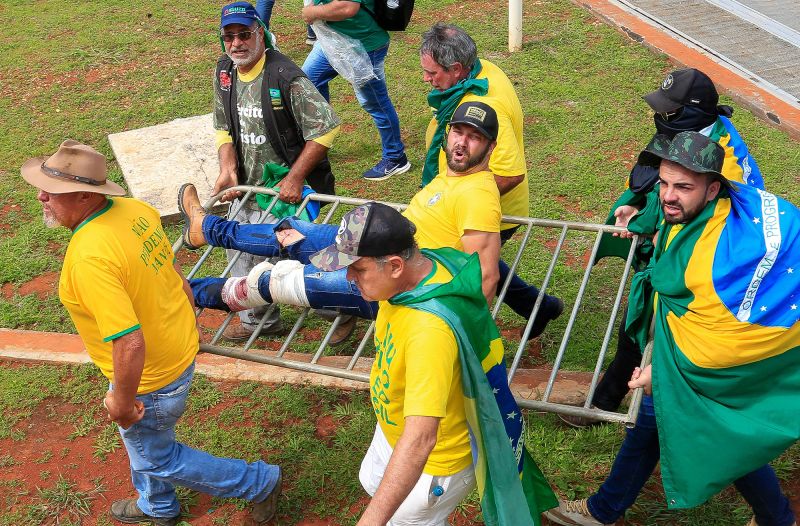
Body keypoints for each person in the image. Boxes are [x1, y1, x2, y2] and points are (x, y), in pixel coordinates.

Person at [21, 140, 282, 526]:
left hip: (150, 377)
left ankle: (258, 482)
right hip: (176, 346)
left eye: (52, 190)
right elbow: (170, 269)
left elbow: (129, 341)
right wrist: (188, 310)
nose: (41, 195)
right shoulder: (135, 210)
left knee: (154, 455)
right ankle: (157, 506)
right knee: (145, 442)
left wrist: (123, 403)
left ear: (81, 195)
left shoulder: (89, 257)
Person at [545, 132, 799, 526]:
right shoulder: (700, 210)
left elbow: (721, 344)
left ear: (714, 189)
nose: (667, 196)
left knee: (705, 426)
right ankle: (606, 509)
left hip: (713, 358)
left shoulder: (712, 260)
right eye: (664, 183)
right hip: (682, 342)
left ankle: (603, 510)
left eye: (683, 187)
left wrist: (662, 372)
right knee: (681, 423)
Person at [306, 202, 557, 524]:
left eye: (358, 269)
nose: (349, 277)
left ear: (396, 265)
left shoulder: (428, 332)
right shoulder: (428, 266)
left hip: (434, 462)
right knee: (372, 480)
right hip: (392, 425)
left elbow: (422, 438)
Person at [567, 67, 765, 425]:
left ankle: (614, 404)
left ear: (691, 114)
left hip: (701, 274)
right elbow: (668, 183)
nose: (660, 118)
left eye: (669, 113)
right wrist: (639, 205)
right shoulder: (690, 134)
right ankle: (612, 402)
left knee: (657, 331)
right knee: (641, 321)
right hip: (673, 260)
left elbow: (717, 226)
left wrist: (666, 240)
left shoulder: (726, 164)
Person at [184, 101, 505, 320]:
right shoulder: (452, 175)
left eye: (475, 138)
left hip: (388, 277)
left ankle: (183, 295)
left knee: (270, 282)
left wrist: (467, 339)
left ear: (490, 148)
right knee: (289, 232)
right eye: (459, 132)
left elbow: (487, 275)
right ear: (448, 132)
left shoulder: (478, 194)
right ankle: (205, 228)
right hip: (371, 241)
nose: (462, 143)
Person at [420, 23, 563, 336]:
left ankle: (530, 309)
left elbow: (510, 172)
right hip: (464, 198)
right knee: (481, 261)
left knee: (464, 264)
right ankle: (540, 307)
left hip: (486, 208)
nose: (426, 80)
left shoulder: (484, 104)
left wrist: (461, 202)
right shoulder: (482, 70)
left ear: (457, 69)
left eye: (432, 74)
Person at [213, 1, 341, 342]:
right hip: (247, 190)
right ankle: (260, 323)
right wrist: (228, 169)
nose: (237, 43)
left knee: (302, 260)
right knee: (242, 255)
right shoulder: (225, 72)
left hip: (286, 196)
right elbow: (223, 127)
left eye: (244, 34)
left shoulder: (285, 76)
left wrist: (295, 177)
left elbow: (325, 128)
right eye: (229, 36)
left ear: (261, 33)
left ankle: (340, 309)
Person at [301, 0, 410, 180]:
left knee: (375, 103)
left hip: (362, 46)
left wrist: (313, 12)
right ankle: (319, 143)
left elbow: (348, 7)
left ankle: (395, 156)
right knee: (309, 83)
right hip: (332, 40)